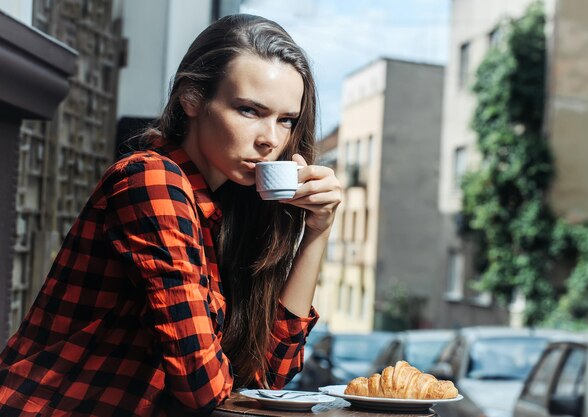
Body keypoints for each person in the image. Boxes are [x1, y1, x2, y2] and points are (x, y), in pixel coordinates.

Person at [0, 14, 341, 416]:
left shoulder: (227, 210)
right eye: (249, 110)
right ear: (192, 99)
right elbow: (204, 388)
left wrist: (317, 231)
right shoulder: (152, 180)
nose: (271, 139)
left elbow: (268, 378)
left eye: (286, 120)